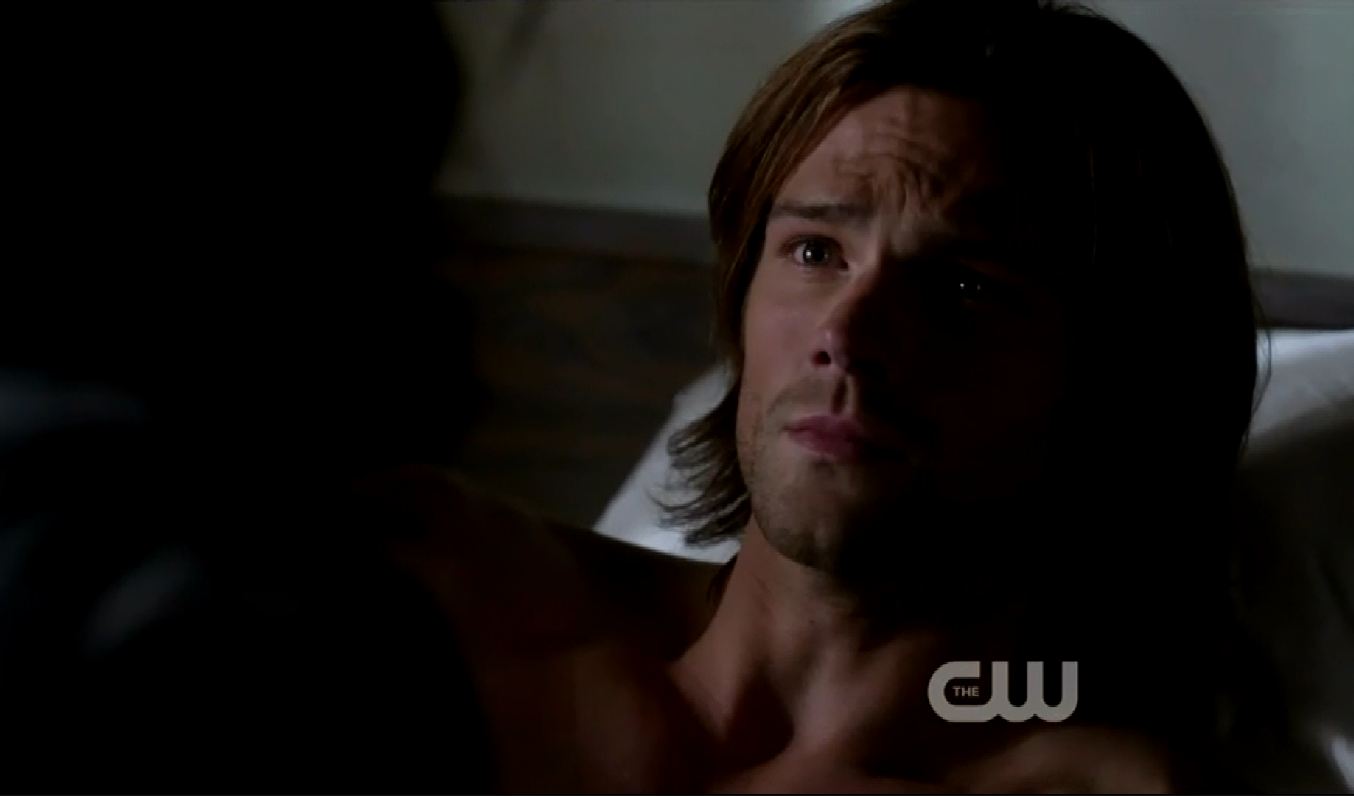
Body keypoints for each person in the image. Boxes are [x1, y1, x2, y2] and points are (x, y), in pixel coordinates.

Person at [2, 0, 1259, 792]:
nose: (849, 334)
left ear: (1120, 377)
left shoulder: (1085, 770)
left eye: (969, 288)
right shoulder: (431, 578)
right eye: (813, 249)